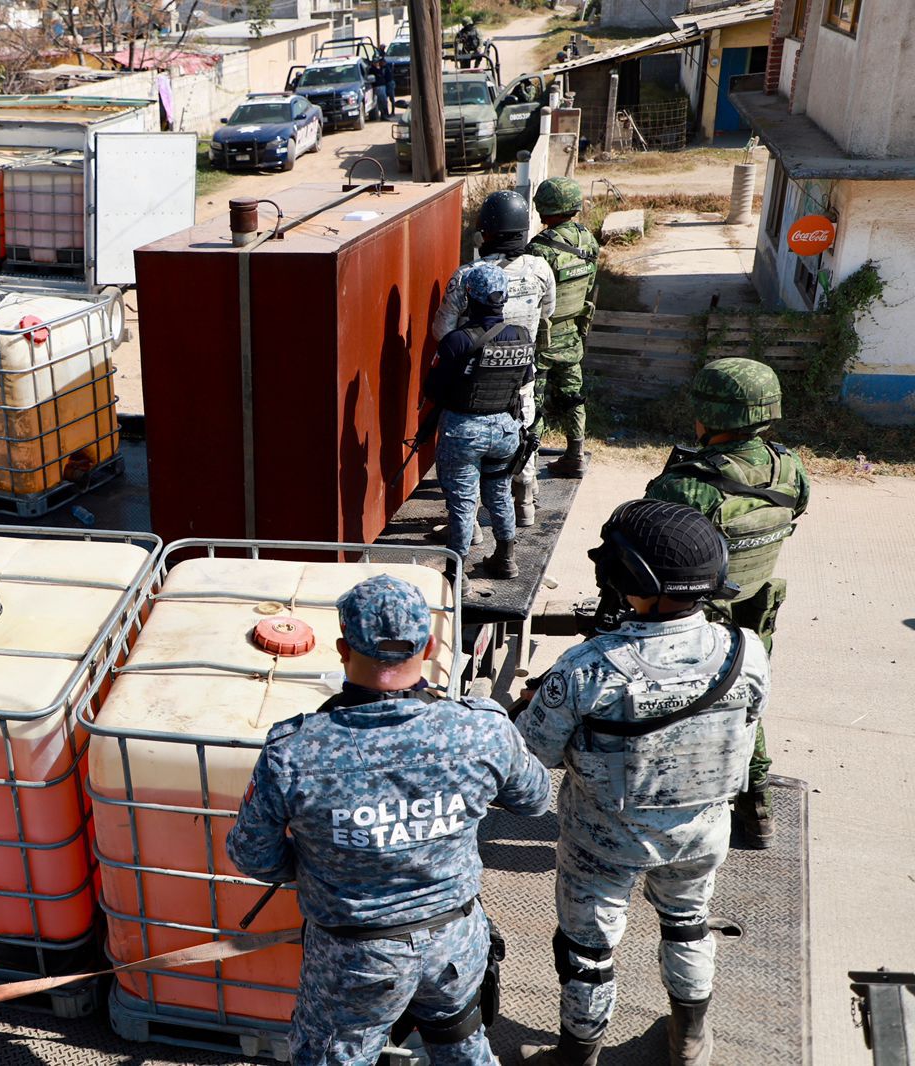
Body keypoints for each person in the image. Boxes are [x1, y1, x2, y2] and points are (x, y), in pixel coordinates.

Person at [226, 574, 551, 1066]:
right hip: (454, 940)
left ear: (341, 649)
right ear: (431, 644)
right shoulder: (482, 730)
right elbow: (535, 800)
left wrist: (324, 863)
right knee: (463, 1047)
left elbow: (251, 853)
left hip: (352, 958)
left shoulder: (295, 750)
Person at [516, 499, 770, 1066]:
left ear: (630, 578)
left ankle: (579, 1054)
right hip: (701, 836)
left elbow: (532, 755)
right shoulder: (745, 651)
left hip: (602, 845)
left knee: (588, 952)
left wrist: (533, 705)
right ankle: (690, 1042)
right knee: (688, 926)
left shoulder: (585, 668)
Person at [643, 358, 808, 848]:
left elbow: (650, 546)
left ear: (708, 415)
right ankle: (757, 811)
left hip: (693, 621)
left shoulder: (686, 484)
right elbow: (794, 510)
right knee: (747, 708)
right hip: (756, 614)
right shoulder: (789, 467)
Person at [433, 190, 556, 528]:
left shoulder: (468, 275)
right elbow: (548, 314)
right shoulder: (541, 269)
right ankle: (525, 505)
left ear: (485, 233)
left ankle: (468, 526)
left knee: (465, 463)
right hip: (520, 380)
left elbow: (441, 332)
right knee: (522, 443)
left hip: (473, 388)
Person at [423, 261, 535, 579]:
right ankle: (506, 558)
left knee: (462, 501)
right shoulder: (522, 336)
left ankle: (456, 576)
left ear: (469, 296)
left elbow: (432, 389)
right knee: (498, 493)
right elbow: (524, 380)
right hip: (505, 430)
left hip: (464, 432)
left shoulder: (457, 341)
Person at [524, 177, 601, 479]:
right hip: (572, 335)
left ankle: (527, 463)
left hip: (542, 341)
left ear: (549, 208)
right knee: (573, 395)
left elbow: (532, 296)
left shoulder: (539, 249)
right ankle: (575, 454)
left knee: (534, 400)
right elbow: (589, 286)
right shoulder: (589, 241)